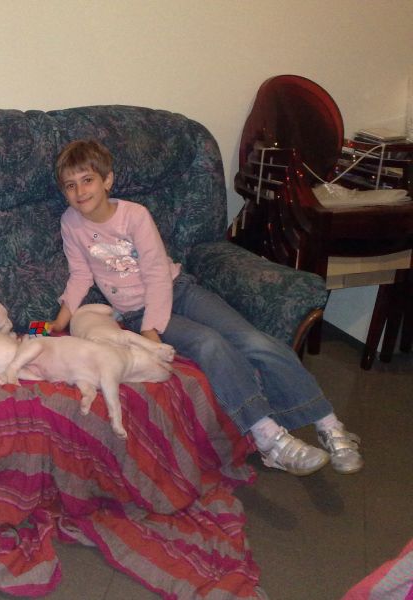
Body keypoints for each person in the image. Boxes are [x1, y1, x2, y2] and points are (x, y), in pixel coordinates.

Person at [50, 139, 363, 476]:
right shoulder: (71, 223)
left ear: (107, 180)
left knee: (252, 339)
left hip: (178, 290)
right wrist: (60, 320)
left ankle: (329, 424)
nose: (80, 191)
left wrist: (152, 329)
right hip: (137, 312)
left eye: (87, 180)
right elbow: (80, 274)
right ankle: (269, 438)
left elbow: (156, 273)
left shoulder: (134, 215)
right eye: (70, 185)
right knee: (209, 343)